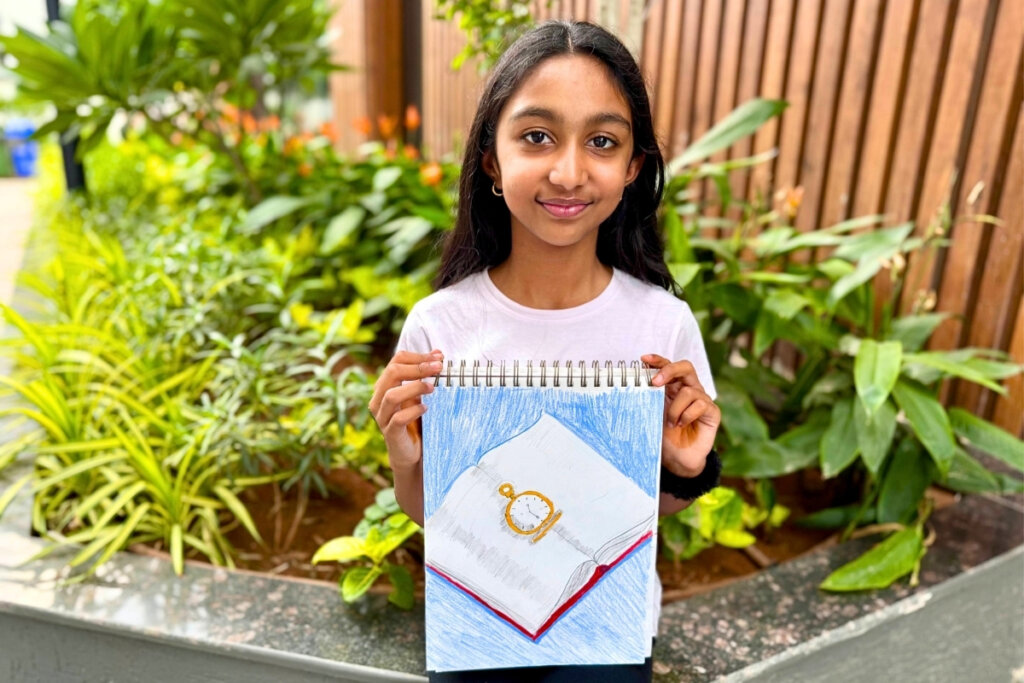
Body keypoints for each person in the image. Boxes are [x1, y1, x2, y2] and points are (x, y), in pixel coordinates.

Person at [369, 19, 721, 683]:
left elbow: (644, 516)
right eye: (537, 136)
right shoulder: (440, 326)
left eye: (602, 141)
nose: (568, 171)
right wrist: (405, 454)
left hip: (604, 637)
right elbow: (429, 514)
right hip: (476, 630)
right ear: (492, 160)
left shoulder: (661, 324)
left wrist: (681, 466)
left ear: (632, 168)